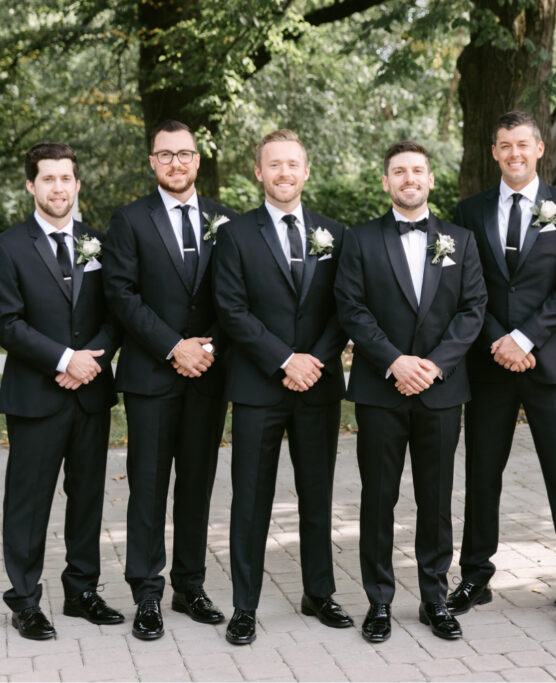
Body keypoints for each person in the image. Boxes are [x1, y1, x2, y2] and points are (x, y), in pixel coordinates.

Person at [447, 111, 556, 634]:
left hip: (549, 362)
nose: (514, 153)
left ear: (539, 149)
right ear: (494, 152)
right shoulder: (469, 212)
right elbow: (466, 287)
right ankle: (474, 575)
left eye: (522, 145)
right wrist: (499, 339)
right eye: (504, 145)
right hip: (489, 364)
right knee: (482, 473)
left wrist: (526, 338)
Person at [335, 141, 486, 643]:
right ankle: (379, 601)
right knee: (379, 497)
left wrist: (435, 366)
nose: (408, 179)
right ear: (386, 182)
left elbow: (473, 310)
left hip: (441, 392)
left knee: (436, 500)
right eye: (398, 172)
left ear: (430, 179)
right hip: (381, 390)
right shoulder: (359, 240)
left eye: (417, 170)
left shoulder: (460, 241)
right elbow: (351, 308)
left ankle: (435, 598)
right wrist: (395, 361)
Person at [212, 129, 350, 645]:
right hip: (257, 387)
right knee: (251, 499)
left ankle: (319, 592)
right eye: (274, 165)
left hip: (317, 384)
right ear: (259, 172)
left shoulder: (335, 233)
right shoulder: (235, 235)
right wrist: (282, 359)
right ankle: (244, 606)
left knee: (318, 497)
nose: (284, 173)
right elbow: (231, 308)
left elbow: (346, 307)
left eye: (293, 164)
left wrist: (313, 359)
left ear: (306, 170)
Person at [102, 120, 237, 640]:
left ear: (198, 160)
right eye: (165, 155)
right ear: (152, 163)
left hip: (208, 373)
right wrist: (172, 346)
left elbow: (237, 294)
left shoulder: (226, 220)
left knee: (198, 486)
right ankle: (147, 593)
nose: (176, 163)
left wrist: (210, 346)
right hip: (151, 375)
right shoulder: (130, 220)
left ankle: (191, 586)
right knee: (149, 486)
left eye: (184, 154)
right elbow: (121, 293)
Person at [0, 142, 123, 639]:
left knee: (86, 498)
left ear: (77, 184)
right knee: (29, 500)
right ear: (31, 185)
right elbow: (6, 323)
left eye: (66, 178)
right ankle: (24, 600)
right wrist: (65, 360)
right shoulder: (7, 247)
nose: (58, 187)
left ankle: (81, 591)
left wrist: (90, 363)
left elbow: (116, 314)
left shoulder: (99, 244)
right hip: (36, 397)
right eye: (48, 179)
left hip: (90, 394)